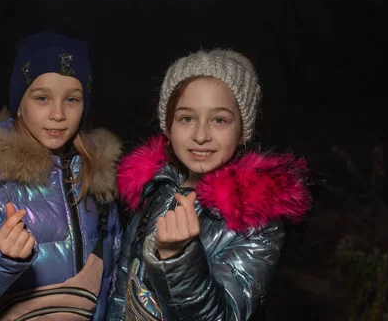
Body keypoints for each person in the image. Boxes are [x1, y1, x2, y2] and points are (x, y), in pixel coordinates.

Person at [0, 30, 123, 320]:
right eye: (42, 98)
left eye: (72, 100)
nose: (58, 114)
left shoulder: (98, 181)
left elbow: (114, 278)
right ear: (20, 104)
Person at [108, 48, 312, 320]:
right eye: (187, 118)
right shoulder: (152, 191)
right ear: (168, 127)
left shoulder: (255, 223)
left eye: (219, 120)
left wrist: (177, 259)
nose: (201, 135)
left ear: (242, 131)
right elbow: (123, 289)